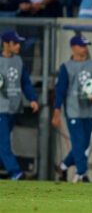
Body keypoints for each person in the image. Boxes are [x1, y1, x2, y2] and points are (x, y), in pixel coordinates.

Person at [52, 35, 92, 183]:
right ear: (73, 47)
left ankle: (62, 166)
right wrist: (56, 112)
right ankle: (82, 174)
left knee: (84, 144)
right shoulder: (66, 67)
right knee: (79, 143)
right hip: (73, 111)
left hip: (90, 111)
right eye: (82, 45)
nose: (84, 48)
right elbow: (60, 90)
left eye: (86, 45)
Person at [0, 31, 39, 180]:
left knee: (3, 143)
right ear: (5, 44)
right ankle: (15, 172)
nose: (18, 46)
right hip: (1, 109)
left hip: (14, 108)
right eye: (15, 43)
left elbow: (25, 82)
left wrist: (32, 99)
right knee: (4, 143)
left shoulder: (18, 60)